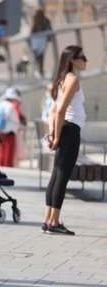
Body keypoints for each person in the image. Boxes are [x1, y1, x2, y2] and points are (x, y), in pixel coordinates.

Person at [42, 45, 88, 236]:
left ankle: (47, 220)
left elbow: (53, 111)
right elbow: (60, 111)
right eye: (82, 57)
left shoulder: (60, 80)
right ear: (72, 60)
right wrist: (58, 136)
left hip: (63, 129)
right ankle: (54, 222)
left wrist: (52, 133)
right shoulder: (73, 80)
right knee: (62, 176)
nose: (86, 60)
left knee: (56, 175)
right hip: (69, 130)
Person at [0, 87, 21, 167]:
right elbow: (15, 120)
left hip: (1, 130)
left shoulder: (0, 104)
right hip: (10, 131)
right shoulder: (11, 107)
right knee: (9, 151)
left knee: (2, 150)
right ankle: (8, 165)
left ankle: (1, 164)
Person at [30, 7, 52, 78]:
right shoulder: (46, 20)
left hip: (36, 38)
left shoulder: (35, 19)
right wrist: (49, 38)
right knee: (41, 55)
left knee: (36, 55)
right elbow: (49, 29)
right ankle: (40, 70)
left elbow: (32, 29)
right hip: (43, 38)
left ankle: (35, 69)